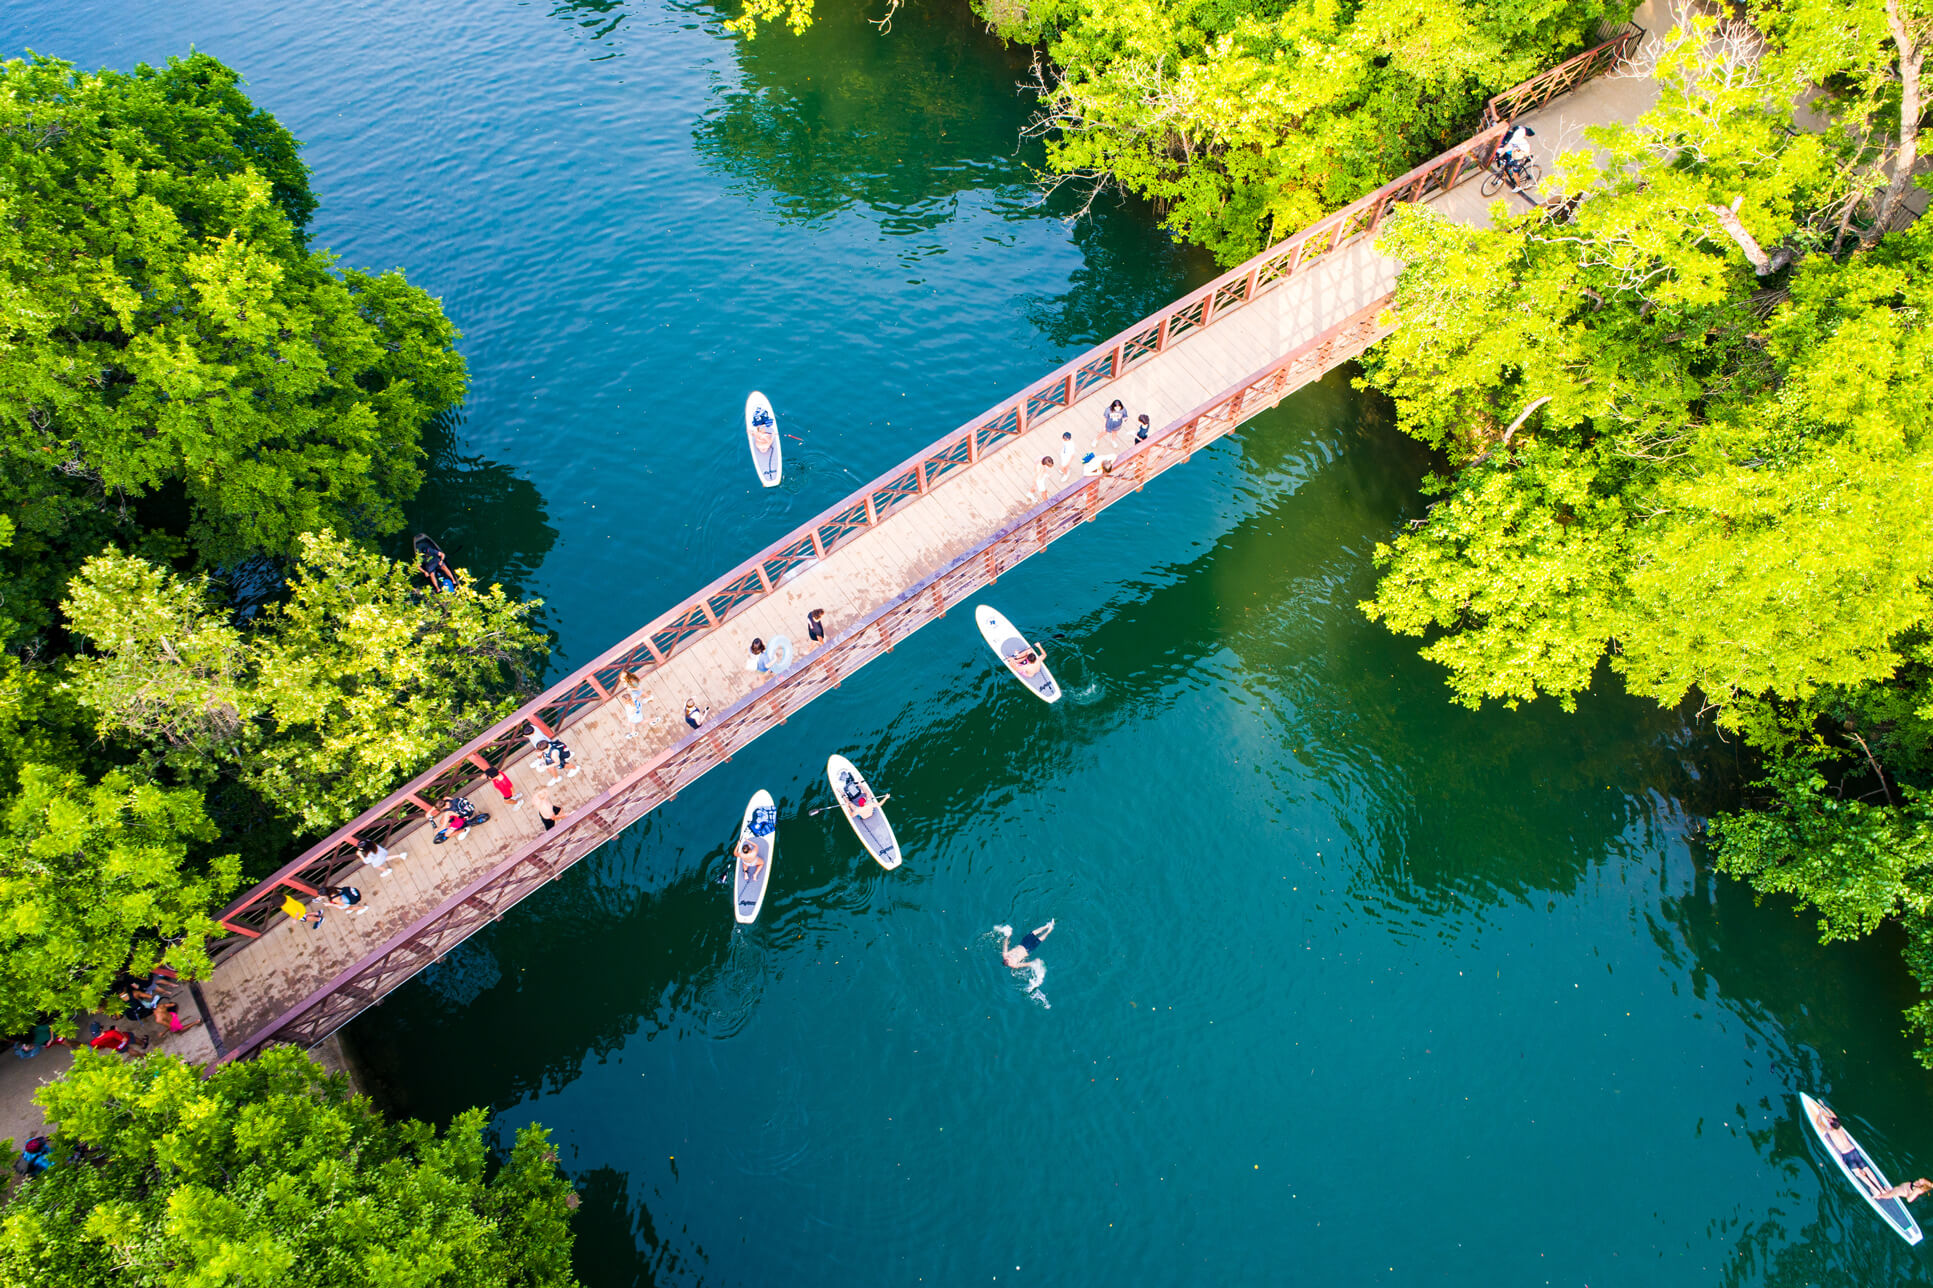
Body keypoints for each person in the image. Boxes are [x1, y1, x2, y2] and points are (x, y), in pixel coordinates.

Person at [1811, 1102, 1890, 1196]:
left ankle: (1875, 1190)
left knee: (1858, 1174)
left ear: (1831, 1123)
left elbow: (1819, 1122)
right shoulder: (1839, 1127)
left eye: (1829, 1120)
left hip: (1847, 1155)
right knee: (1867, 1169)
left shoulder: (1830, 1130)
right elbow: (1833, 1114)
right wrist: (1824, 1105)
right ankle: (1881, 1189)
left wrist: (1820, 1112)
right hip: (1853, 1151)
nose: (1828, 1119)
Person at [617, 668, 655, 738]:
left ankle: (654, 719)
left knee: (640, 722)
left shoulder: (632, 681)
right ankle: (633, 732)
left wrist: (630, 688)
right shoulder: (629, 680)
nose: (621, 678)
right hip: (636, 707)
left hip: (636, 691)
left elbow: (639, 688)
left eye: (622, 677)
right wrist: (627, 685)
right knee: (637, 722)